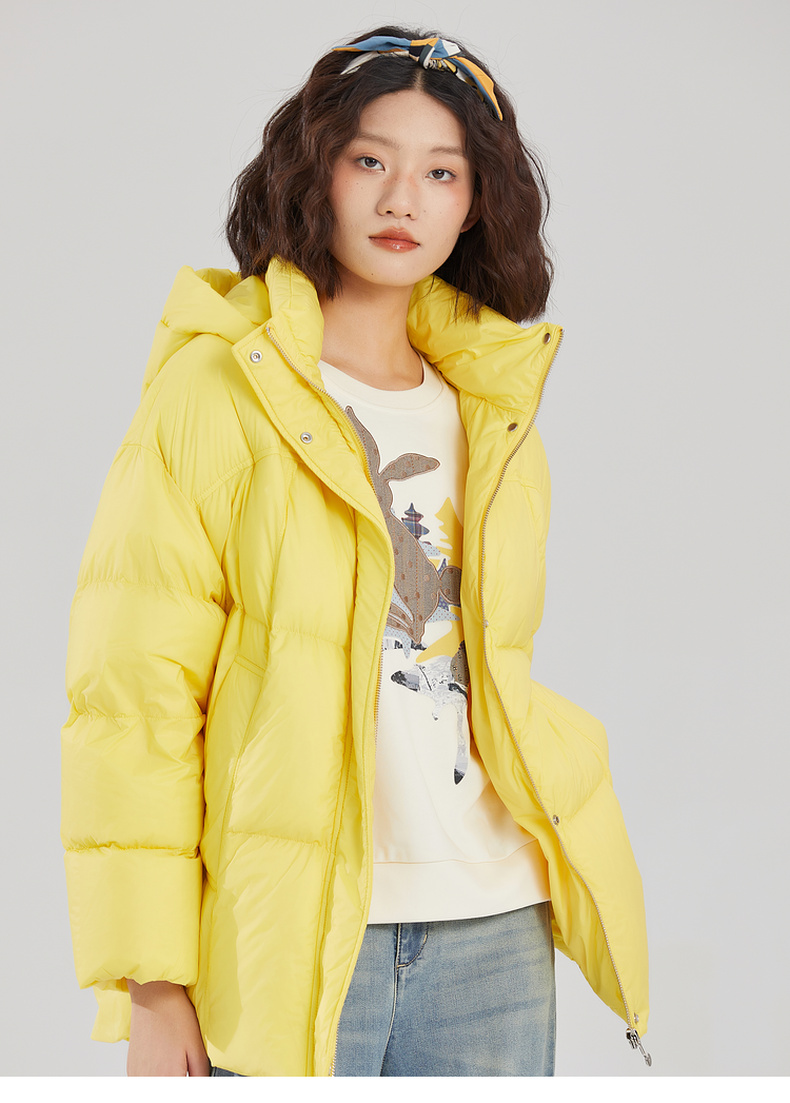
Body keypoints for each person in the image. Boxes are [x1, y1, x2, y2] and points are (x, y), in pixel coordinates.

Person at [61, 27, 650, 1077]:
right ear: (314, 170)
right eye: (369, 159)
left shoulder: (492, 411)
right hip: (287, 931)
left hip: (494, 929)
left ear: (476, 203)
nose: (400, 199)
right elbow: (133, 697)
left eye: (441, 172)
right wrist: (151, 981)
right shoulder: (219, 390)